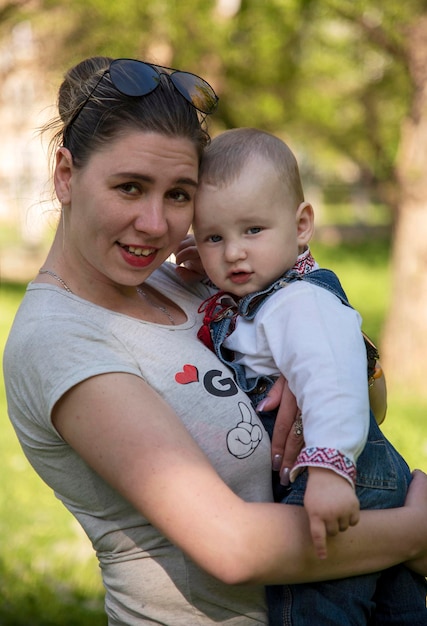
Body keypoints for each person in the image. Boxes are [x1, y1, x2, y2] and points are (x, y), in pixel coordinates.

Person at [3, 57, 427, 626]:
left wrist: (330, 367)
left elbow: (373, 404)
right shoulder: (60, 340)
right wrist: (416, 534)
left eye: (179, 195)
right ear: (64, 173)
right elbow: (231, 547)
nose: (155, 224)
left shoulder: (187, 277)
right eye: (129, 187)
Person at [192, 127, 427, 624]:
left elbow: (332, 379)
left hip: (342, 476)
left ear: (302, 226)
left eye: (252, 231)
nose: (233, 252)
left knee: (313, 607)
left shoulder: (298, 302)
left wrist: (328, 468)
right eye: (215, 236)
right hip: (363, 476)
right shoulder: (264, 296)